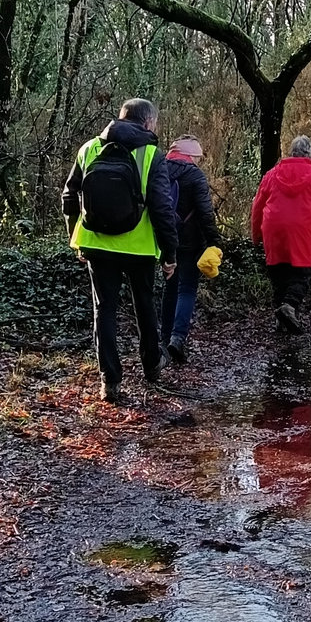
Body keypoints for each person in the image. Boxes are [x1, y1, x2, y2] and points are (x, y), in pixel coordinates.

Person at [62, 98, 178, 403]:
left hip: (97, 244)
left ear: (121, 117)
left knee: (104, 310)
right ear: (148, 122)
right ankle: (152, 365)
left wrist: (75, 237)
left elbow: (69, 196)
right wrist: (170, 254)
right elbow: (163, 209)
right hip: (139, 248)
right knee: (144, 305)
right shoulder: (151, 155)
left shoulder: (89, 148)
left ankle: (110, 382)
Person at [250, 134, 311, 332]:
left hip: (273, 228)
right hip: (300, 230)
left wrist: (256, 235)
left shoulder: (271, 174)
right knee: (300, 275)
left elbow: (257, 206)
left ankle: (281, 322)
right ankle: (289, 307)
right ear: (310, 154)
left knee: (278, 274)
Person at [159, 134, 224, 366]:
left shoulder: (159, 169)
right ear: (191, 155)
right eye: (198, 157)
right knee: (186, 288)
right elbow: (205, 212)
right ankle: (177, 338)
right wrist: (214, 241)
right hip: (191, 240)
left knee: (170, 288)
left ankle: (164, 339)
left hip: (164, 239)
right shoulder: (195, 175)